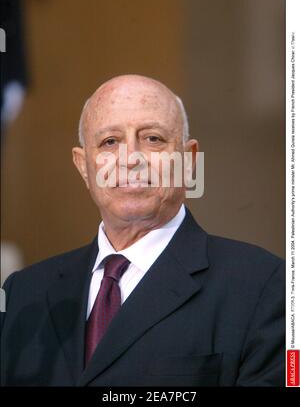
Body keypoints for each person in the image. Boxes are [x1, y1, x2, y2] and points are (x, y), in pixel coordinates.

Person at [0, 75, 285, 386]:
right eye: (110, 141)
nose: (131, 159)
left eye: (153, 139)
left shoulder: (265, 287)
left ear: (189, 161)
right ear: (83, 166)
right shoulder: (22, 293)